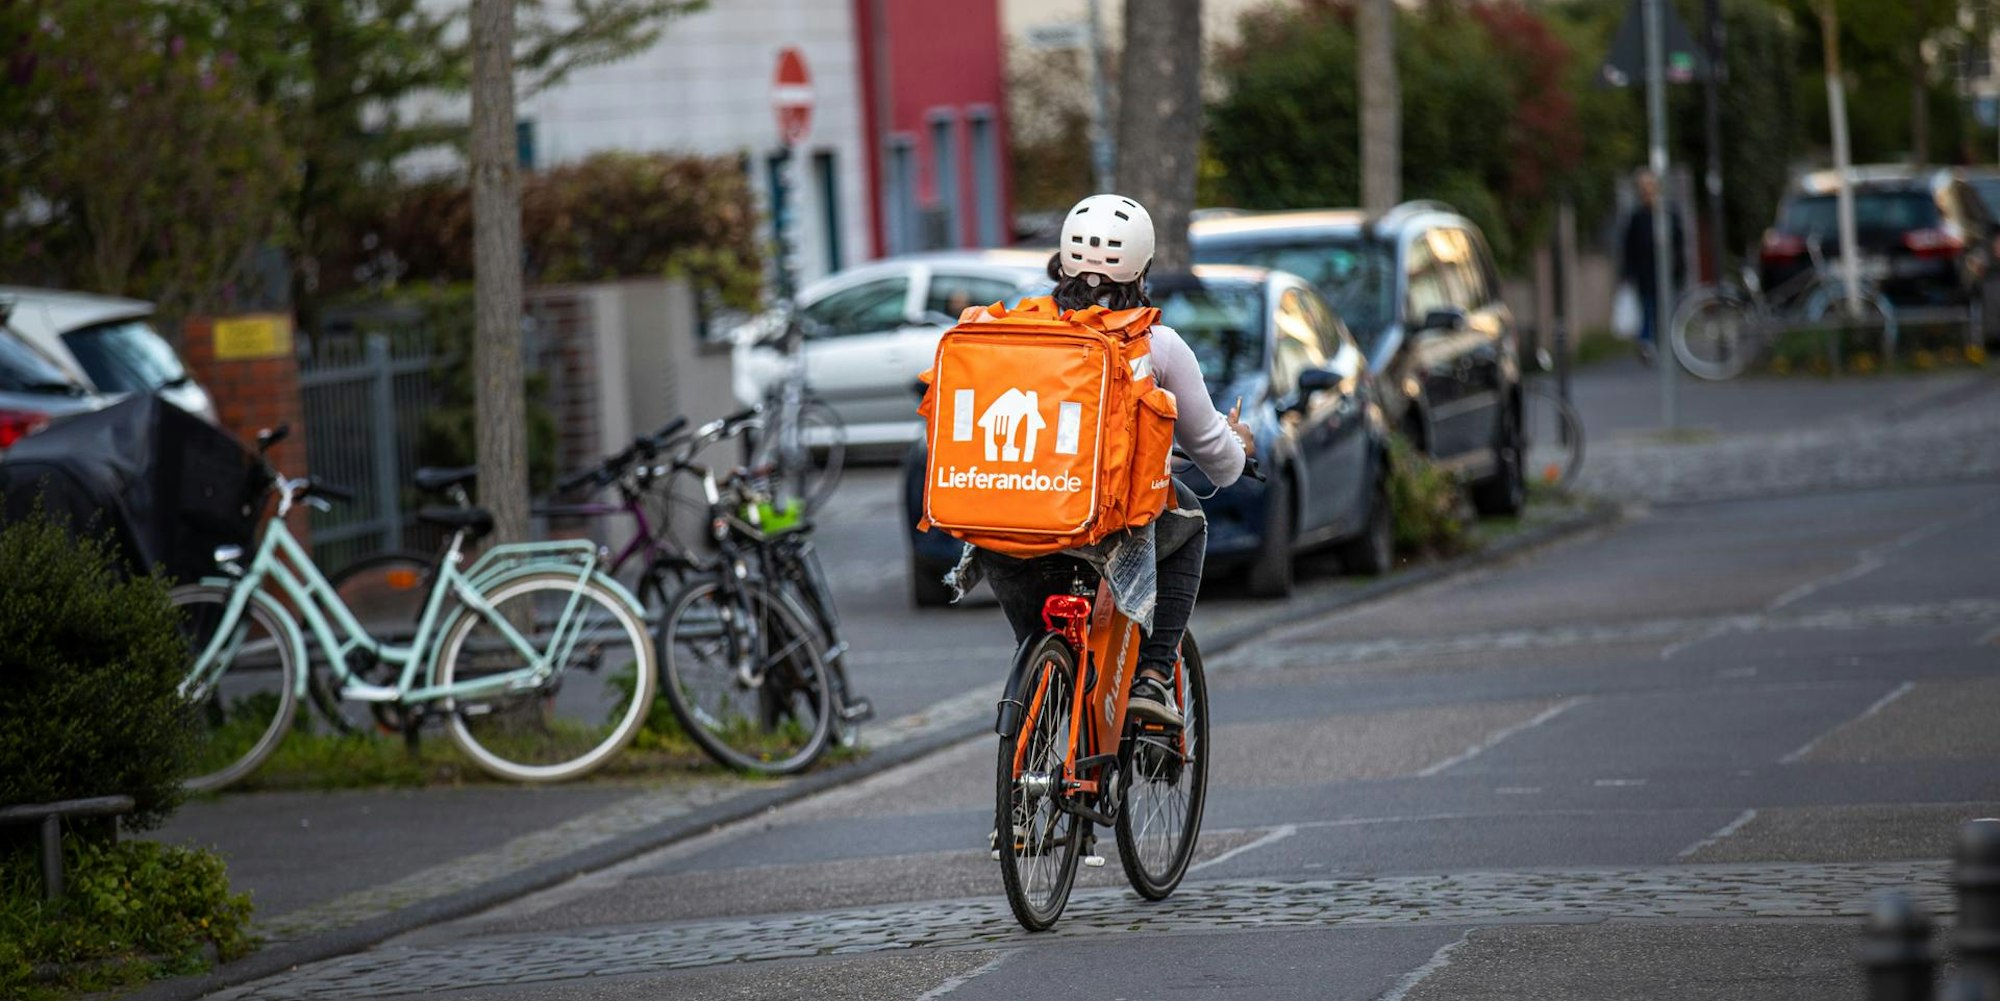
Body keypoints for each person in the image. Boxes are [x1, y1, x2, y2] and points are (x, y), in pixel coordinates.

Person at [963, 194, 1254, 727]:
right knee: (1189, 519)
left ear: (1062, 260)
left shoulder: (1018, 327)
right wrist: (1241, 445)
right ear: (1142, 268)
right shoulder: (1157, 344)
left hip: (1009, 521)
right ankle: (1154, 675)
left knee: (1035, 626)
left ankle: (1044, 678)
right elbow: (1219, 458)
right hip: (1102, 524)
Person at [1619, 169, 1686, 362]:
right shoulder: (1637, 216)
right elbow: (1629, 246)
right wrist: (1628, 272)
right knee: (1648, 308)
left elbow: (1679, 242)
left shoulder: (1668, 213)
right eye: (1643, 188)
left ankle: (1666, 343)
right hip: (1645, 272)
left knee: (1666, 309)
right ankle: (1647, 343)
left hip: (1668, 272)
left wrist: (1679, 267)